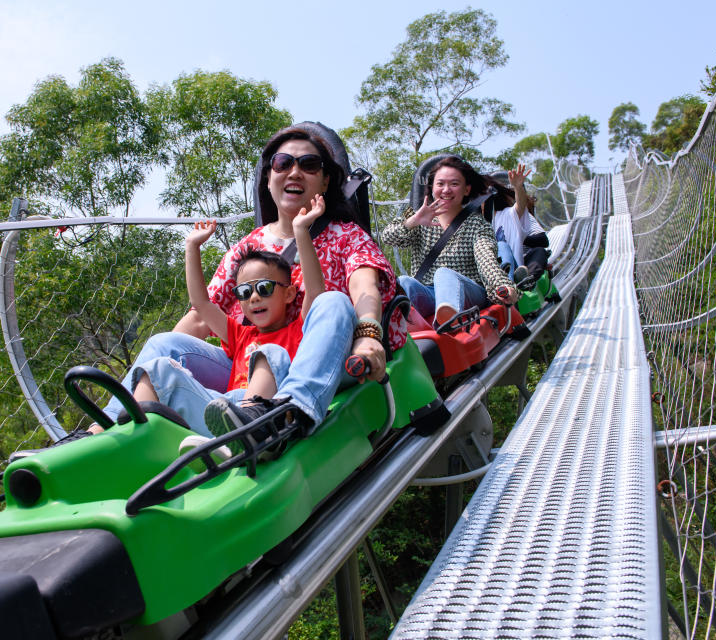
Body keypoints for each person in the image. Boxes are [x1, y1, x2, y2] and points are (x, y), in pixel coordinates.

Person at [98, 126, 405, 446]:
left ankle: (290, 413)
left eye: (309, 165)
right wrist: (168, 372)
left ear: (326, 181)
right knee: (163, 346)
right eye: (283, 163)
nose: (294, 172)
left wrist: (368, 336)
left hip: (320, 355)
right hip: (252, 363)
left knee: (332, 301)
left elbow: (364, 286)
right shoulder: (246, 248)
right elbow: (203, 313)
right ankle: (104, 433)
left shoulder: (346, 235)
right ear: (269, 177)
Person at [380, 156, 519, 328]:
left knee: (444, 274)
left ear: (466, 190)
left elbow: (486, 258)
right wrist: (413, 221)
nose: (446, 190)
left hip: (467, 290)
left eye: (454, 184)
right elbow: (387, 238)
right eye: (440, 184)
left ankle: (449, 323)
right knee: (405, 282)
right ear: (432, 188)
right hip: (429, 293)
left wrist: (501, 285)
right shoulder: (420, 219)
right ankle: (398, 331)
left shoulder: (476, 225)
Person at [485, 163, 549, 290]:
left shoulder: (508, 214)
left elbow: (520, 206)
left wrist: (518, 187)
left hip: (514, 262)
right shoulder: (476, 223)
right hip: (491, 268)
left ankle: (522, 280)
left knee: (505, 247)